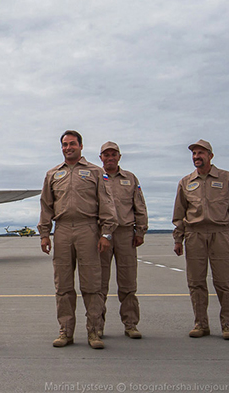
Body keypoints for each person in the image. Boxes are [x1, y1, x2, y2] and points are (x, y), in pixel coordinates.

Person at [38, 130, 118, 349]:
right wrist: (45, 233)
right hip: (62, 230)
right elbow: (46, 205)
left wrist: (106, 233)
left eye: (72, 144)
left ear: (81, 146)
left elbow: (107, 204)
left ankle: (94, 331)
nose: (68, 148)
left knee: (92, 284)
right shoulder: (53, 174)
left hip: (88, 230)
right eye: (64, 144)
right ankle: (65, 331)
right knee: (63, 285)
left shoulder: (95, 172)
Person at [172, 139, 229, 340]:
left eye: (201, 153)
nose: (197, 157)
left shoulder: (226, 178)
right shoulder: (185, 182)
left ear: (210, 156)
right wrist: (178, 239)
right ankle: (201, 324)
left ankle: (228, 326)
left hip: (220, 234)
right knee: (196, 282)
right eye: (194, 154)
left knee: (224, 282)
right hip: (194, 235)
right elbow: (179, 213)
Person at [98, 141, 148, 339]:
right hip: (102, 235)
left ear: (119, 156)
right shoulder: (95, 177)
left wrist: (141, 231)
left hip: (126, 234)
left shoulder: (130, 178)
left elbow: (140, 206)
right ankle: (97, 325)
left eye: (113, 154)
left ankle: (130, 324)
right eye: (106, 154)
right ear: (100, 157)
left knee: (128, 282)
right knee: (99, 283)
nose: (110, 158)